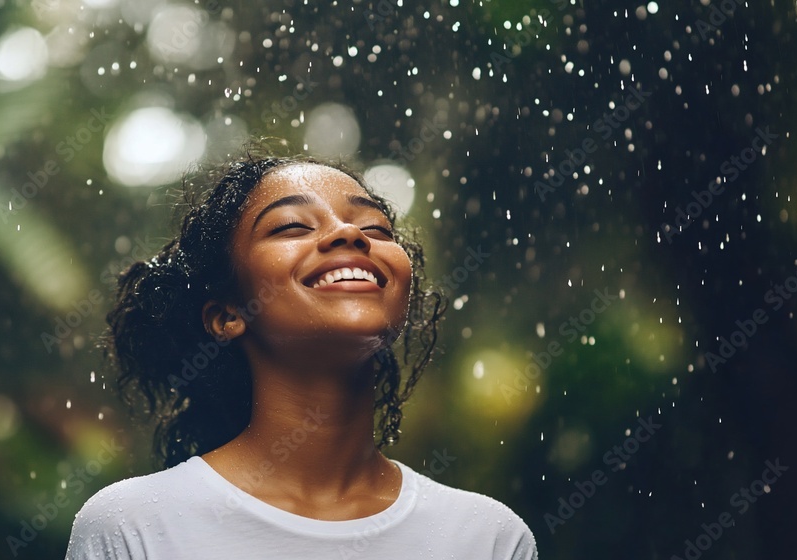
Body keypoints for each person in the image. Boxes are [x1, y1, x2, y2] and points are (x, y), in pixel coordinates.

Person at [66, 148, 539, 559]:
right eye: (292, 226)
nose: (350, 234)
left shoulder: (486, 538)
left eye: (375, 228)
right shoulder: (133, 527)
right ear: (228, 315)